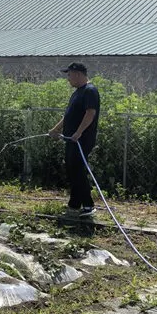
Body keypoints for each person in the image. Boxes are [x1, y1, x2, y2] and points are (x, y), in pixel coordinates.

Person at [48, 62, 100, 216]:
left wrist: (78, 132)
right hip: (71, 138)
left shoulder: (90, 91)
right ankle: (75, 203)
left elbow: (90, 113)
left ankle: (88, 205)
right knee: (72, 169)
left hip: (81, 139)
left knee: (78, 170)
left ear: (78, 74)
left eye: (69, 75)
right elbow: (68, 115)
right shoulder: (77, 92)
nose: (68, 79)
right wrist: (55, 129)